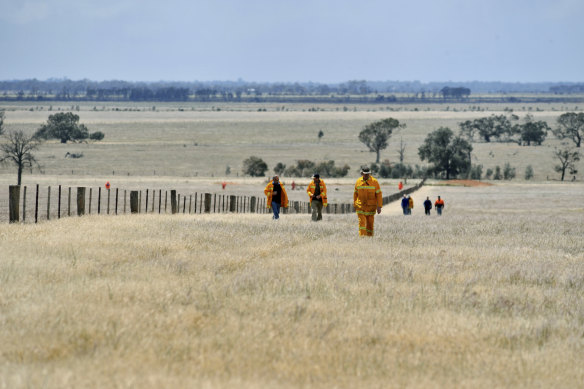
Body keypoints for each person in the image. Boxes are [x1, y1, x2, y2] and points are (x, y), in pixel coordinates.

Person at [353, 166, 382, 236]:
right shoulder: (358, 182)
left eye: (368, 174)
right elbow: (355, 194)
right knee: (362, 223)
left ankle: (369, 238)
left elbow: (379, 194)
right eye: (365, 174)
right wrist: (355, 204)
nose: (366, 175)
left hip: (371, 207)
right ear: (361, 173)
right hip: (360, 207)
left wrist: (379, 206)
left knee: (370, 224)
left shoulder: (375, 182)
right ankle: (362, 238)